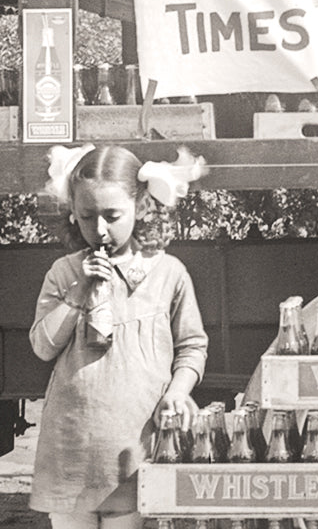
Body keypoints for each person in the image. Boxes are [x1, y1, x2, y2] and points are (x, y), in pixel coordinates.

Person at [29, 144, 209, 529]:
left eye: (112, 216)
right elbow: (43, 347)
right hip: (72, 449)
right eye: (86, 216)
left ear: (141, 207)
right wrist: (78, 293)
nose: (99, 230)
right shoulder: (64, 273)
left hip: (135, 444)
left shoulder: (168, 273)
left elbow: (192, 346)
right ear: (73, 214)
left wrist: (178, 391)